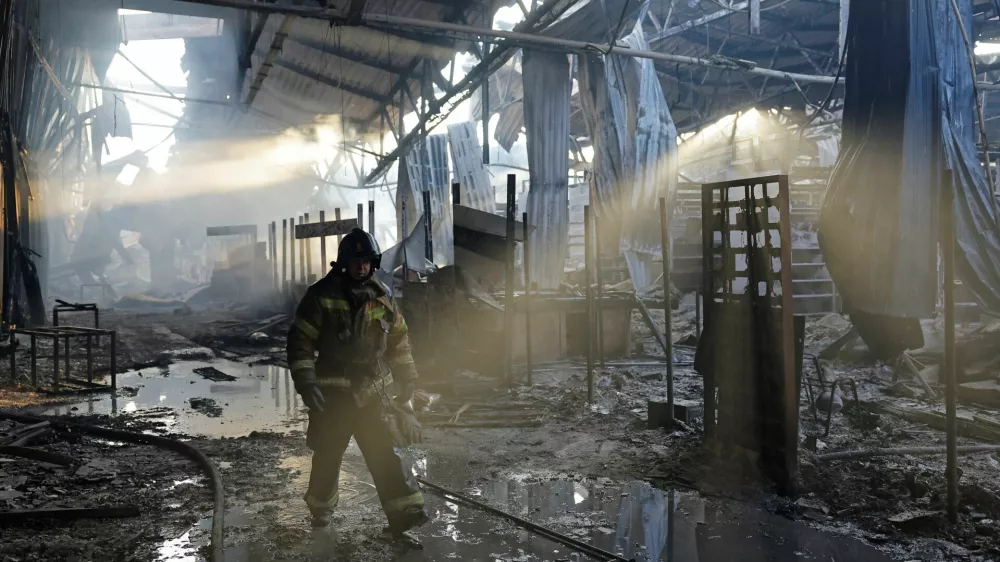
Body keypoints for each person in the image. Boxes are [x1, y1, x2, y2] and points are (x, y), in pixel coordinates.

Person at [287, 227, 428, 534]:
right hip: (333, 395)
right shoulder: (321, 295)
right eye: (355, 260)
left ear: (373, 262)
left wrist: (407, 378)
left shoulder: (383, 297)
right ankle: (321, 511)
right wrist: (307, 384)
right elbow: (300, 343)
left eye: (366, 261)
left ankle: (405, 513)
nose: (361, 266)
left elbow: (400, 341)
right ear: (343, 262)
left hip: (373, 392)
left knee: (385, 451)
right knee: (328, 454)